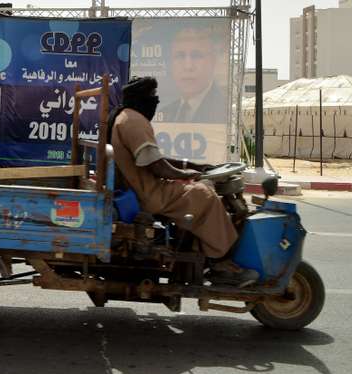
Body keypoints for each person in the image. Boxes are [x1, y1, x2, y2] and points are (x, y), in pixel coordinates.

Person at [109, 76, 258, 287]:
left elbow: (156, 159)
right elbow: (157, 166)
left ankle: (202, 248)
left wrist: (193, 166)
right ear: (141, 97)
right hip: (149, 194)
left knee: (201, 187)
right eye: (152, 96)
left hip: (145, 188)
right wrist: (186, 174)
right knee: (205, 195)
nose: (156, 101)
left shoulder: (127, 117)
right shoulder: (134, 122)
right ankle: (221, 263)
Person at [160, 27, 227, 124]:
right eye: (180, 56)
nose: (188, 66)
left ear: (213, 62)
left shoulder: (225, 109)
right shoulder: (164, 112)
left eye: (197, 55)